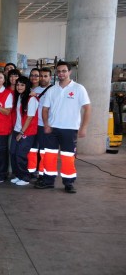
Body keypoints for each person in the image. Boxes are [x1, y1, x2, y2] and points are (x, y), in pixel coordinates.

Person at [35, 61, 91, 193]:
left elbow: (87, 109)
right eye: (59, 71)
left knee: (68, 157)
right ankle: (49, 181)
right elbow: (45, 109)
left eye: (64, 71)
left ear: (69, 72)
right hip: (52, 129)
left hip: (70, 129)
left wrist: (84, 127)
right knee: (49, 156)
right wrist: (46, 124)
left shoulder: (78, 88)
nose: (61, 73)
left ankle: (69, 183)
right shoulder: (52, 90)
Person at [10, 76, 39, 186]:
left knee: (20, 155)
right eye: (17, 84)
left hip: (26, 131)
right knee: (13, 153)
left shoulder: (31, 99)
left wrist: (22, 132)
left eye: (22, 85)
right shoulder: (19, 97)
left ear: (27, 86)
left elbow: (30, 117)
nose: (19, 87)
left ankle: (25, 177)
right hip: (16, 130)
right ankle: (18, 175)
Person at [29, 67, 53, 185]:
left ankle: (42, 174)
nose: (43, 78)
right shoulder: (35, 89)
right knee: (33, 150)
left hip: (45, 126)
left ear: (50, 77)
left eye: (45, 76)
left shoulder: (54, 90)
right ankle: (32, 172)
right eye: (41, 76)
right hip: (34, 125)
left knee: (43, 151)